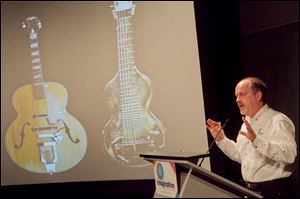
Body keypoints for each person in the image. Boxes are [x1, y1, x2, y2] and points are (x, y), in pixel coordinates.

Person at [206, 77, 297, 198]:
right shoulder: (246, 123)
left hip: (275, 192)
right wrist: (221, 139)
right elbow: (240, 155)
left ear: (258, 95)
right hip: (250, 191)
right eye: (236, 96)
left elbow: (290, 155)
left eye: (242, 94)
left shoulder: (277, 121)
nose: (237, 100)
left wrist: (257, 141)